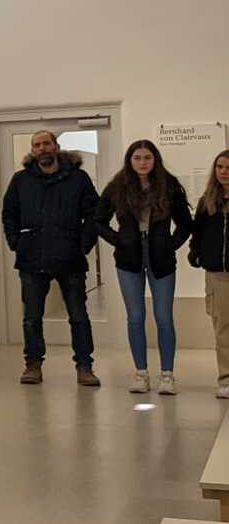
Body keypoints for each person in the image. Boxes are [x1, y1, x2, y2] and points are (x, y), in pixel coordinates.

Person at [2, 130, 102, 386]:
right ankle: (33, 365)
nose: (42, 148)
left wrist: (84, 245)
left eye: (46, 143)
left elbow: (94, 214)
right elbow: (9, 213)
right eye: (36, 145)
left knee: (78, 316)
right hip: (32, 258)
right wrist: (16, 242)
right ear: (32, 150)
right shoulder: (20, 180)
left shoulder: (78, 178)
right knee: (31, 317)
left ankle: (85, 366)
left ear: (56, 146)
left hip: (70, 257)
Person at [94, 140, 193, 395]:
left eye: (147, 157)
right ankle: (141, 373)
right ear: (130, 161)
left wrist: (170, 245)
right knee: (135, 317)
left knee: (164, 317)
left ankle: (167, 375)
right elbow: (98, 221)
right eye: (137, 158)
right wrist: (119, 240)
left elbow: (185, 224)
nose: (142, 162)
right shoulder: (117, 186)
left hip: (161, 258)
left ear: (155, 159)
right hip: (128, 259)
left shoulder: (170, 186)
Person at [190, 149, 229, 397]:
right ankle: (226, 379)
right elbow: (198, 233)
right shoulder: (207, 202)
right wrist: (196, 253)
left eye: (228, 168)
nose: (224, 172)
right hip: (218, 275)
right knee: (223, 328)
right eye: (220, 167)